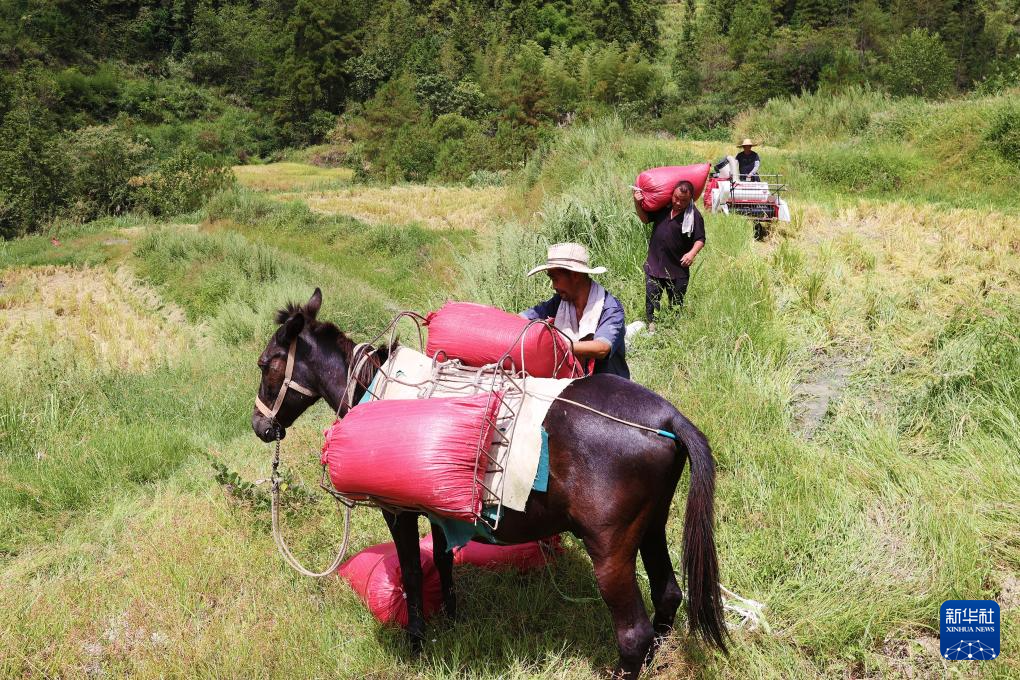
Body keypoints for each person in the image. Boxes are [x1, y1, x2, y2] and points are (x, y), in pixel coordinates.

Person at [521, 242, 630, 379]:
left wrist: (557, 346)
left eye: (555, 279)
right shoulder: (560, 302)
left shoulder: (609, 308)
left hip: (608, 387)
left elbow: (602, 348)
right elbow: (525, 317)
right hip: (575, 384)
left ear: (575, 275)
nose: (553, 286)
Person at [632, 180, 706, 330]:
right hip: (654, 265)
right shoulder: (663, 208)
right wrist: (636, 203)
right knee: (652, 301)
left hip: (677, 269)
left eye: (683, 200)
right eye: (676, 198)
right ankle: (651, 328)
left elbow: (700, 239)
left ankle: (672, 331)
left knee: (676, 305)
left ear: (690, 199)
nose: (678, 202)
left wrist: (692, 254)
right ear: (672, 194)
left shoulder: (693, 215)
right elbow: (645, 219)